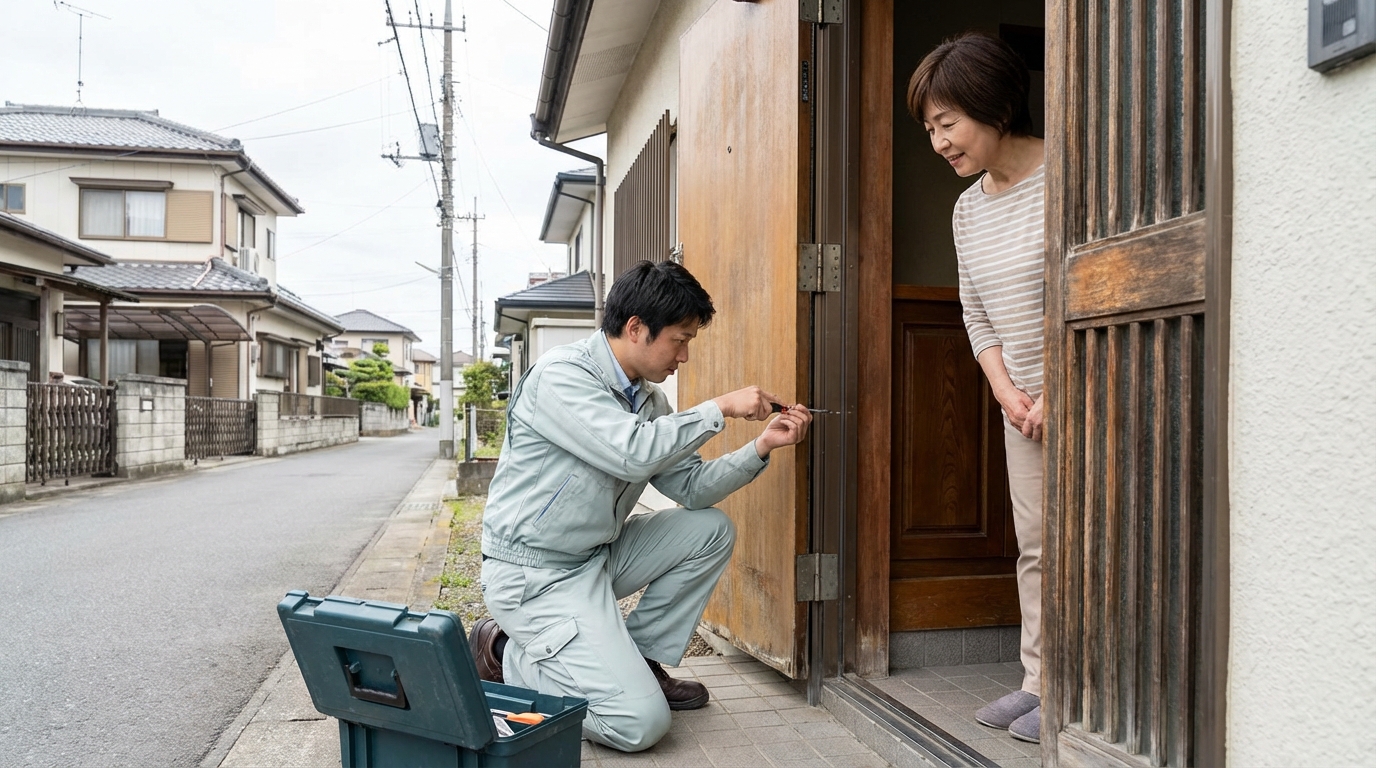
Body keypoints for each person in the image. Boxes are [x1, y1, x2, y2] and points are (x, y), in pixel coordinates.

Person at [467, 260, 812, 752]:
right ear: (635, 329)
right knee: (638, 724)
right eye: (681, 339)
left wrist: (759, 447)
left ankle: (639, 661)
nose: (685, 356)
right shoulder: (562, 378)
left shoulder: (648, 402)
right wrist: (720, 408)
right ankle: (502, 651)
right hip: (534, 577)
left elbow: (691, 487)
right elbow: (631, 452)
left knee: (708, 530)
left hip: (595, 558)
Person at [908, 33, 1047, 744]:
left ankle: (1082, 689)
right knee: (1035, 543)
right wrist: (1003, 390)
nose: (938, 143)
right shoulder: (968, 209)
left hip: (1082, 393)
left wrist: (1060, 388)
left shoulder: (1070, 175)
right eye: (929, 130)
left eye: (946, 123)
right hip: (1018, 402)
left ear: (993, 106)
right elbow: (975, 308)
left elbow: (1091, 289)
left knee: (1086, 541)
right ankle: (1037, 680)